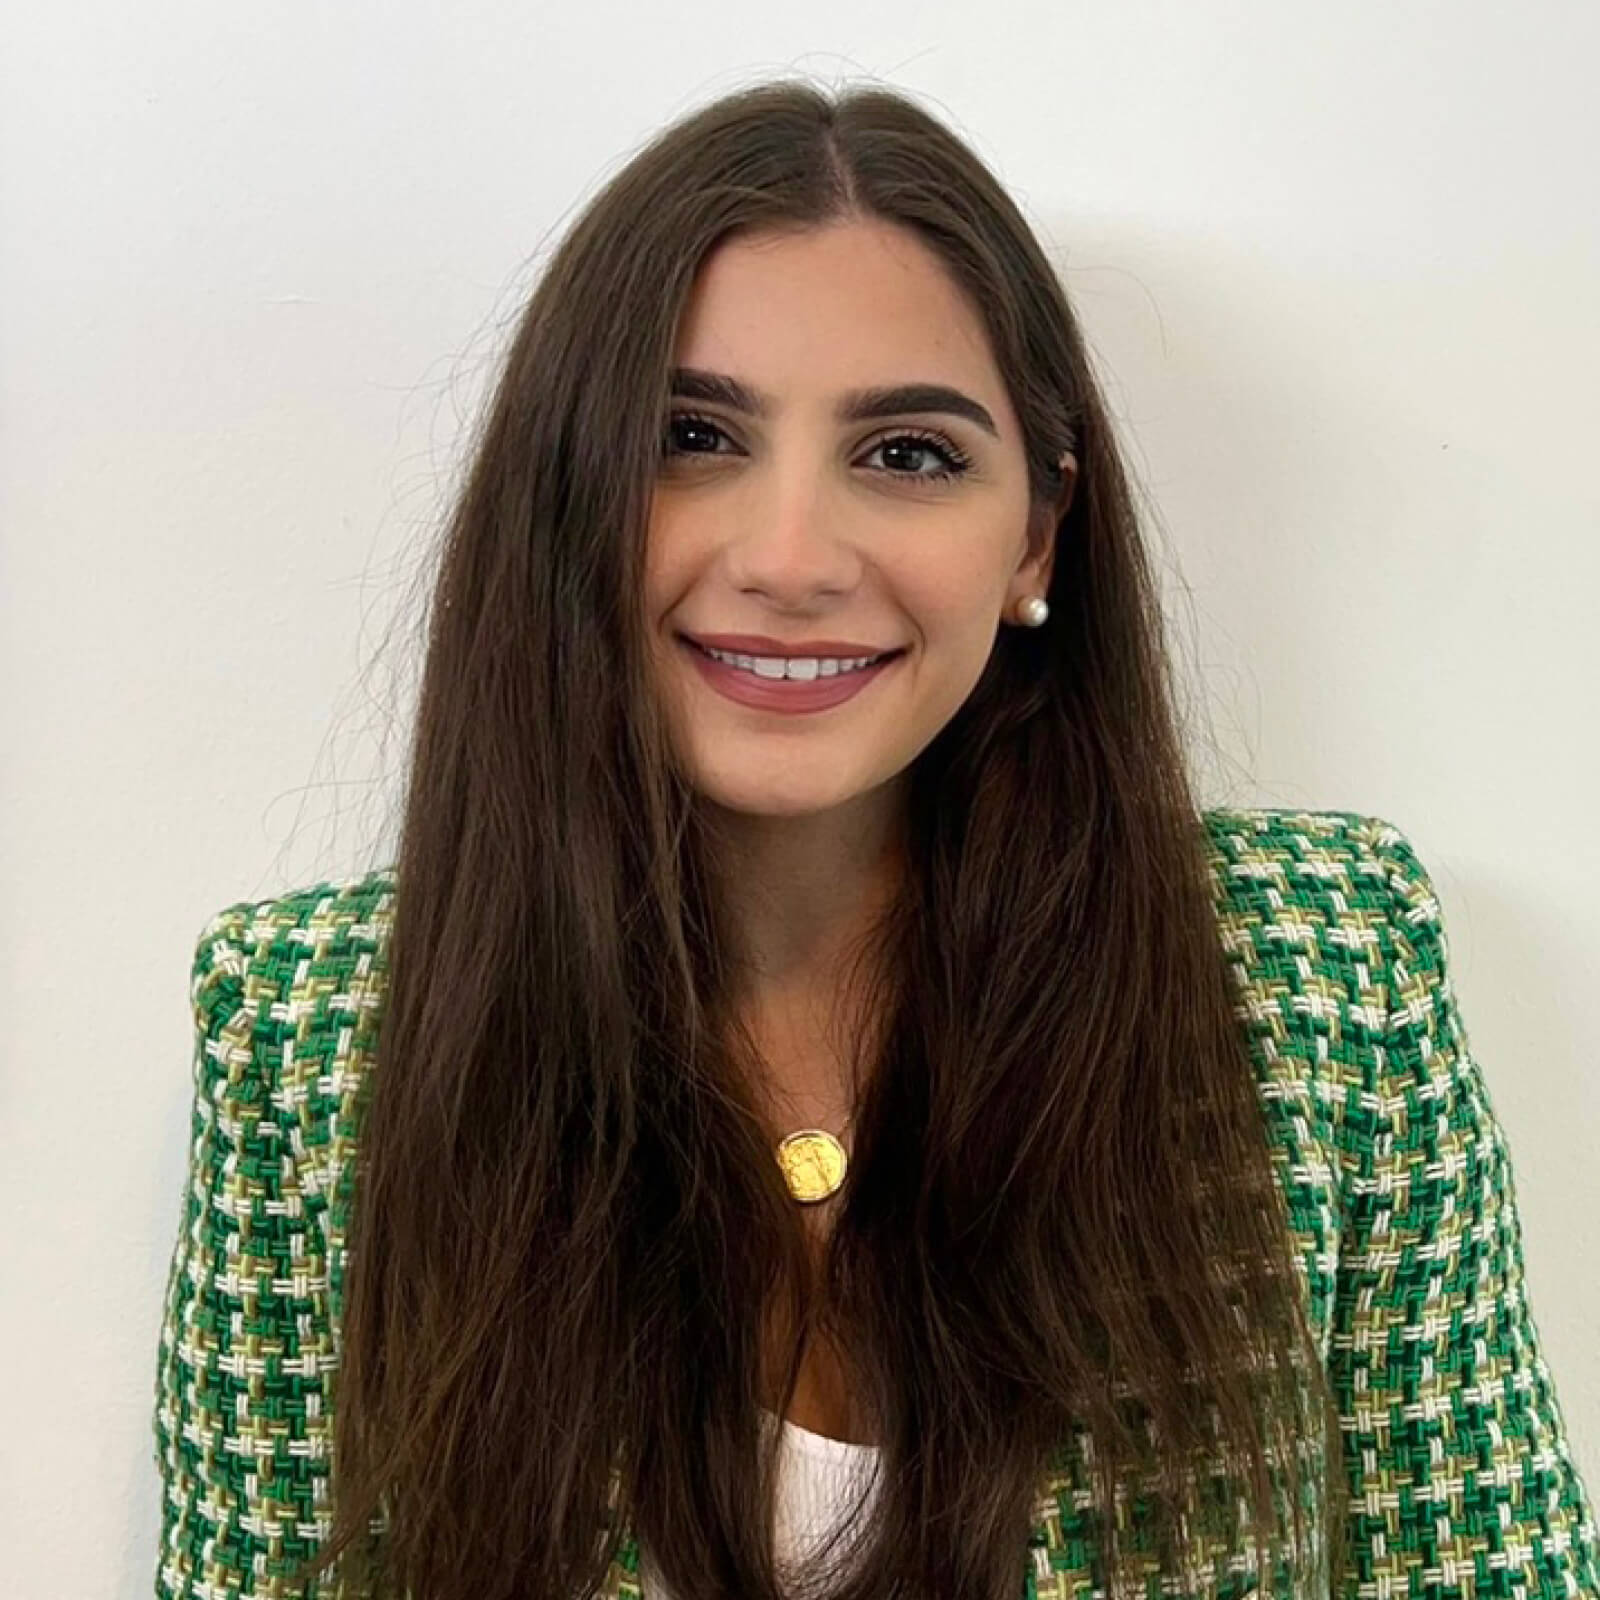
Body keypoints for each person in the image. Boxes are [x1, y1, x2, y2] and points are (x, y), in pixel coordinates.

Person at [150, 79, 1600, 1600]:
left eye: (907, 454)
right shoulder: (310, 1045)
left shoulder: (1326, 980)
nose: (790, 560)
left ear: (1035, 536)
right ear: (559, 500)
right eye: (689, 436)